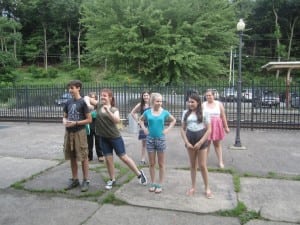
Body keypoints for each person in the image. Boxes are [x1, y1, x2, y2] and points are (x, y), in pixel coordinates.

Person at [92, 88, 147, 190]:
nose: (102, 97)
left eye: (105, 95)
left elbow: (117, 120)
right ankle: (112, 179)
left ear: (110, 97)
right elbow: (87, 99)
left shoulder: (114, 109)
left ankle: (139, 174)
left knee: (123, 157)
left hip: (114, 137)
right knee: (108, 160)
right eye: (101, 95)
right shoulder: (99, 105)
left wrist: (108, 111)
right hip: (103, 137)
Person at [139, 93, 176, 194]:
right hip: (150, 139)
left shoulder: (164, 112)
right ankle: (153, 183)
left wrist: (167, 130)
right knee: (151, 163)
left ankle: (160, 184)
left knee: (161, 163)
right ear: (152, 101)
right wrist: (144, 129)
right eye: (157, 101)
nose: (159, 103)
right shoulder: (147, 112)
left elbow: (173, 120)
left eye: (161, 101)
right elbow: (140, 120)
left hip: (160, 139)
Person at [180, 93, 213, 198]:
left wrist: (200, 142)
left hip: (201, 140)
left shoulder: (204, 113)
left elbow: (209, 130)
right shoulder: (185, 113)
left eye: (192, 102)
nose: (190, 104)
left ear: (198, 102)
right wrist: (187, 142)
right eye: (189, 102)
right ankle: (193, 187)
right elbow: (182, 129)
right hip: (190, 140)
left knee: (202, 165)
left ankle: (207, 188)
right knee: (193, 165)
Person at [62, 80, 92, 192]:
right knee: (72, 156)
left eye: (72, 88)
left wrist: (75, 123)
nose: (70, 90)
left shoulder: (83, 102)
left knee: (83, 156)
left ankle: (86, 180)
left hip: (80, 132)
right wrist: (64, 121)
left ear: (78, 88)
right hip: (69, 132)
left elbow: (89, 119)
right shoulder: (68, 102)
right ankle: (75, 179)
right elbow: (64, 116)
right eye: (69, 88)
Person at [202, 89, 230, 168]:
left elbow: (223, 116)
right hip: (206, 126)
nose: (208, 97)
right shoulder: (203, 104)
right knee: (206, 145)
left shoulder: (219, 104)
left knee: (217, 144)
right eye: (207, 95)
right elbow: (200, 116)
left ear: (214, 96)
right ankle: (204, 162)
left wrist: (226, 127)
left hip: (216, 126)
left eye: (210, 95)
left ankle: (220, 162)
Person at [130, 91, 151, 165]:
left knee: (152, 142)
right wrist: (137, 121)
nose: (145, 97)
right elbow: (132, 112)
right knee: (144, 143)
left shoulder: (152, 104)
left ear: (149, 96)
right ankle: (143, 158)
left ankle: (152, 158)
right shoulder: (140, 105)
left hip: (152, 125)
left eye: (147, 95)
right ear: (142, 97)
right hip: (143, 125)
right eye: (144, 95)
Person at [86, 92, 104, 162]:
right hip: (89, 125)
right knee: (89, 142)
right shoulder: (87, 106)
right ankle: (89, 156)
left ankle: (100, 155)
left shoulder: (98, 105)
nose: (92, 99)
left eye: (94, 98)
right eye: (91, 98)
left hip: (97, 125)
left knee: (98, 141)